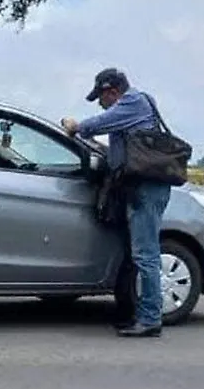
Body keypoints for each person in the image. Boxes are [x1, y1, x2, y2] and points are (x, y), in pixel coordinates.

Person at [61, 68, 170, 338]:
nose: (100, 102)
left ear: (112, 91)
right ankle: (133, 312)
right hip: (137, 187)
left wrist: (75, 127)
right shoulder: (133, 107)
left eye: (101, 96)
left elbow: (98, 122)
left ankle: (150, 319)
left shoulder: (133, 102)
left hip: (146, 188)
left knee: (146, 255)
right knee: (137, 254)